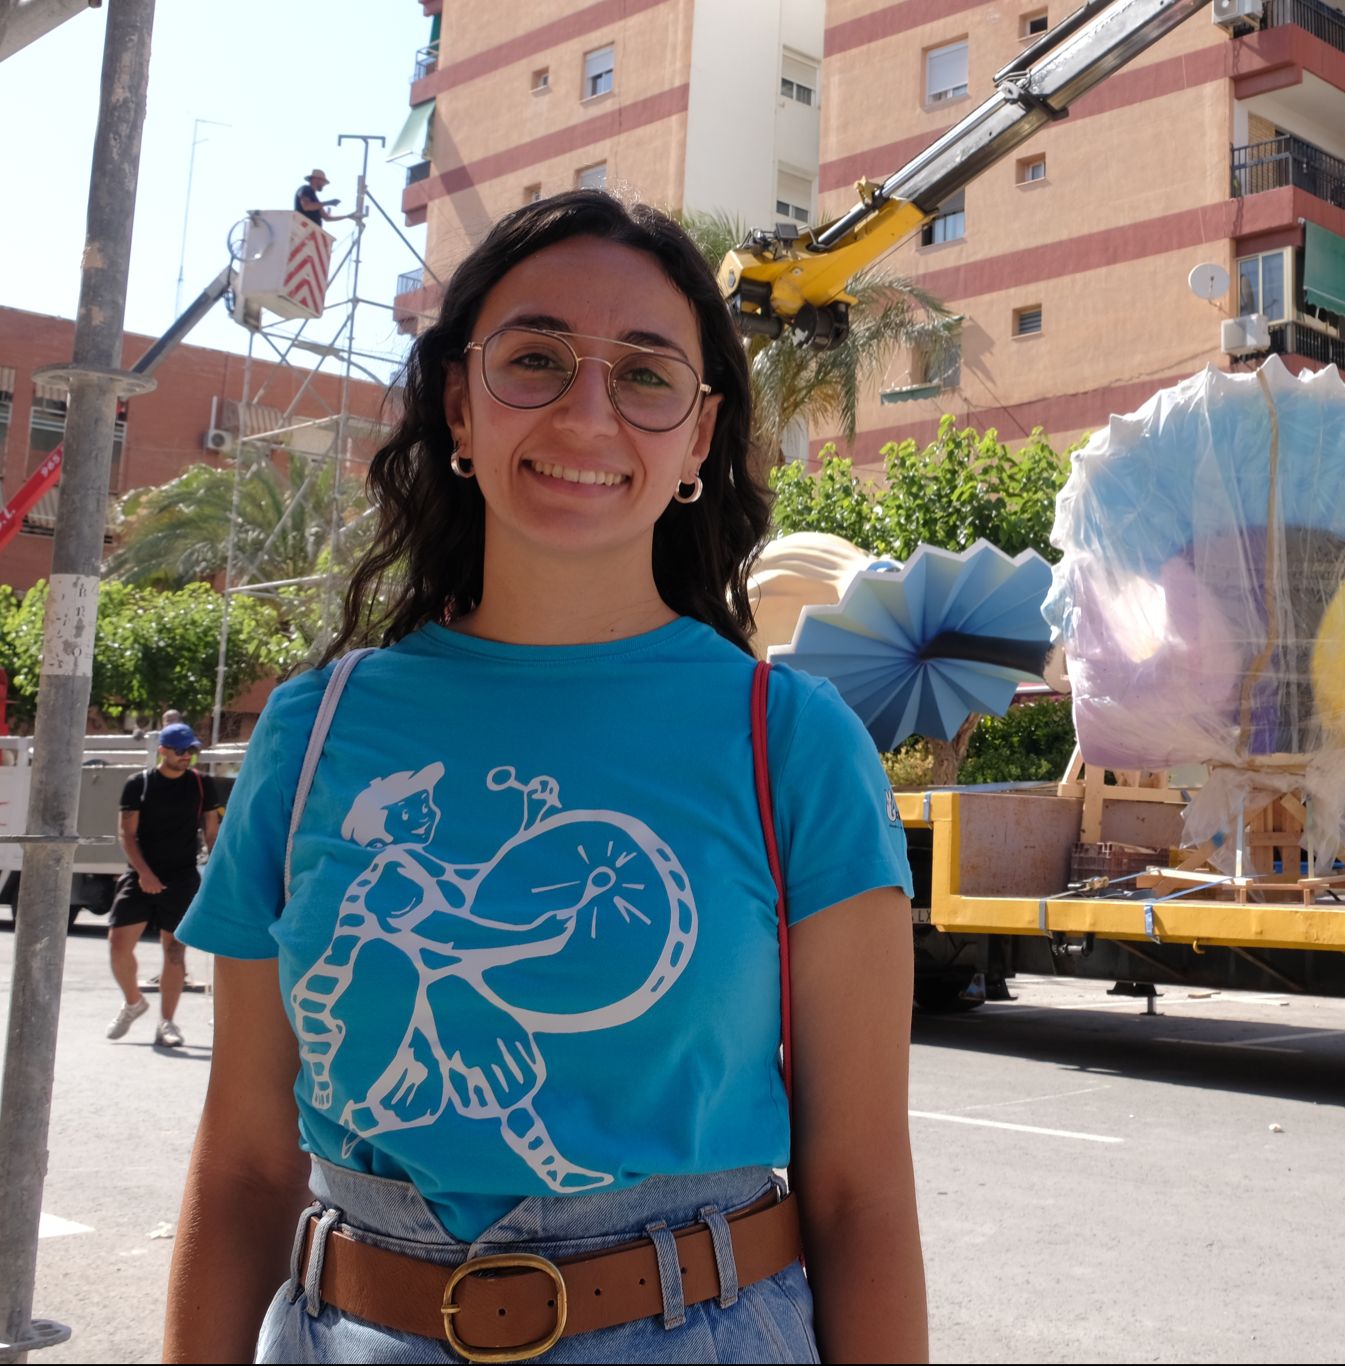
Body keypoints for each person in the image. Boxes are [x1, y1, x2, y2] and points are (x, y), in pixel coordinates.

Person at [165, 190, 928, 1364]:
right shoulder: (316, 731)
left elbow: (859, 1194)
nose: (585, 411)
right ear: (459, 407)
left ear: (700, 434)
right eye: (535, 358)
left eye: (644, 373)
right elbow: (248, 1163)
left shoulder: (794, 742)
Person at [106, 722, 223, 1049]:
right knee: (118, 944)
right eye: (181, 750)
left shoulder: (202, 785)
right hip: (140, 873)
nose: (187, 756)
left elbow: (212, 834)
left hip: (182, 876)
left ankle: (166, 1023)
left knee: (174, 951)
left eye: (192, 751)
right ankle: (133, 1002)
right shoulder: (138, 784)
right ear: (163, 751)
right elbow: (126, 835)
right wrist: (144, 873)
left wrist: (215, 875)